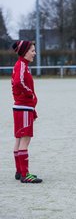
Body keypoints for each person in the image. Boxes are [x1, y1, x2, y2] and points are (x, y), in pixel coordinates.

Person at [11, 40, 42, 183]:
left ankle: (19, 171)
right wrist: (30, 94)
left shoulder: (22, 65)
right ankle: (25, 174)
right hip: (23, 107)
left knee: (18, 139)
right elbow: (18, 82)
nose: (34, 53)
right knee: (25, 140)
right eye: (32, 50)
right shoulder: (22, 65)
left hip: (21, 107)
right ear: (25, 52)